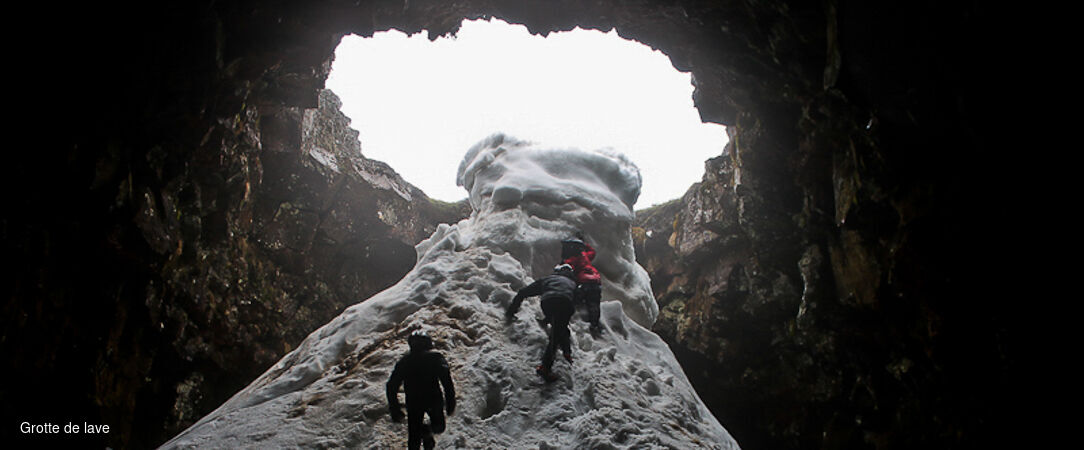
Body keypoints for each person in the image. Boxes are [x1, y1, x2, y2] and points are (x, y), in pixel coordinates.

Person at [506, 264, 577, 382]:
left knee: (558, 328)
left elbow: (523, 292)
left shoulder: (548, 279)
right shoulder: (572, 284)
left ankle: (565, 353)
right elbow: (576, 300)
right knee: (559, 330)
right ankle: (547, 366)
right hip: (566, 303)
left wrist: (511, 311)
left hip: (548, 302)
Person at [386, 330, 456, 450]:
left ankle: (424, 432)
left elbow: (391, 386)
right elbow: (446, 381)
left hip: (414, 402)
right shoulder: (435, 358)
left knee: (414, 439)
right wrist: (450, 401)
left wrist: (394, 408)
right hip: (433, 400)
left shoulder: (404, 362)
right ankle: (426, 432)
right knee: (438, 427)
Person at [562, 233, 603, 333]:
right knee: (594, 303)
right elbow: (592, 252)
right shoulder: (585, 256)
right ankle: (595, 325)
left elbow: (566, 267)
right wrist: (585, 244)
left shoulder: (572, 259)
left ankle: (569, 320)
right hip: (596, 280)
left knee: (574, 300)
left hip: (584, 283)